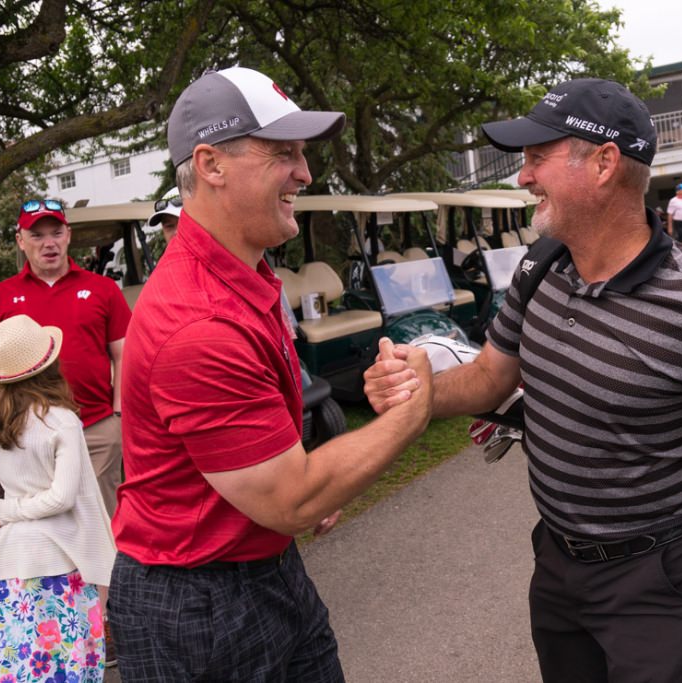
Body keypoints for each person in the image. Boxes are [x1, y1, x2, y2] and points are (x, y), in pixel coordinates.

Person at [365, 78, 682, 683]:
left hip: (653, 578)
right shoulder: (543, 265)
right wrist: (421, 390)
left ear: (605, 163)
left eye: (538, 158)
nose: (522, 177)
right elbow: (486, 378)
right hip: (557, 562)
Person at [108, 66, 432, 681]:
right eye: (283, 152)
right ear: (211, 164)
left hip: (261, 566)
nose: (305, 173)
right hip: (198, 604)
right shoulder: (197, 323)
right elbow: (291, 497)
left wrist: (305, 481)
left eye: (303, 153)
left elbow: (284, 482)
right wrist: (409, 414)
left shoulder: (247, 275)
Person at [0, 314, 116, 681]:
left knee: (14, 665)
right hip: (61, 560)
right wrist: (7, 508)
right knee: (65, 664)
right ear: (49, 364)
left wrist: (7, 509)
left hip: (11, 559)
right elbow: (62, 498)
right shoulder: (60, 420)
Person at [0, 199, 131, 519]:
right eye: (37, 236)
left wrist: (118, 417)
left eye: (56, 233)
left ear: (68, 235)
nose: (49, 243)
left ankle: (106, 572)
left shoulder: (102, 289)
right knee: (40, 517)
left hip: (96, 425)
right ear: (20, 241)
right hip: (23, 432)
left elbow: (123, 355)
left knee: (101, 518)